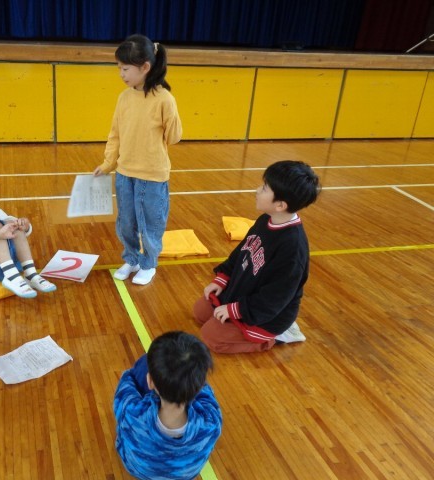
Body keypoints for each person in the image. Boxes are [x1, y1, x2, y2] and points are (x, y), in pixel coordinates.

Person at [193, 160, 321, 354]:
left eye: (264, 188)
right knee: (200, 312)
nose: (257, 190)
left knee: (212, 337)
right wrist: (222, 279)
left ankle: (279, 335)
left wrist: (235, 310)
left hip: (268, 313)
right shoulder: (265, 219)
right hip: (244, 292)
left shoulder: (293, 248)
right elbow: (241, 252)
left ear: (280, 205)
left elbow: (274, 298)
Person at [94, 34, 182, 285]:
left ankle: (148, 264)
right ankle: (132, 258)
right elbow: (115, 134)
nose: (121, 74)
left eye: (125, 68)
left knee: (151, 224)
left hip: (152, 176)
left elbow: (174, 137)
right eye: (119, 68)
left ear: (145, 67)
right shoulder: (124, 97)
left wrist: (170, 110)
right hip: (125, 173)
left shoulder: (164, 99)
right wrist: (108, 163)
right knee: (126, 223)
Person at [113, 331, 222, 480]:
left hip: (138, 469)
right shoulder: (212, 420)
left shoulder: (131, 412)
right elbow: (206, 393)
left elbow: (127, 381)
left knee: (143, 363)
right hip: (186, 475)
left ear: (150, 381)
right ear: (199, 385)